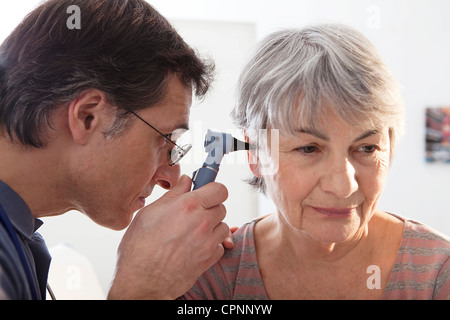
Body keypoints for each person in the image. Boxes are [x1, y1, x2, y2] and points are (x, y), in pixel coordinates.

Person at [180, 24, 450, 300]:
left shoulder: (438, 273)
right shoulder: (210, 277)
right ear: (255, 154)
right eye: (309, 149)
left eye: (367, 148)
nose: (343, 186)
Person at [0, 0, 234, 300]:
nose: (172, 178)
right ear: (88, 117)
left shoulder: (19, 239)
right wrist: (142, 288)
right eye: (164, 139)